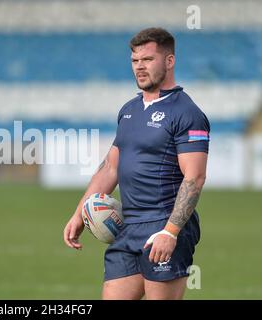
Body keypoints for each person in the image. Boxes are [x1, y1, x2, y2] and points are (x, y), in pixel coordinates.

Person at [63, 27, 210, 300]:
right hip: (127, 226)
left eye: (148, 60)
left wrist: (170, 231)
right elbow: (110, 167)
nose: (139, 67)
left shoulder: (187, 113)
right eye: (135, 61)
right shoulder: (129, 110)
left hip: (163, 226)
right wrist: (79, 213)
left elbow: (195, 177)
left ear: (169, 61)